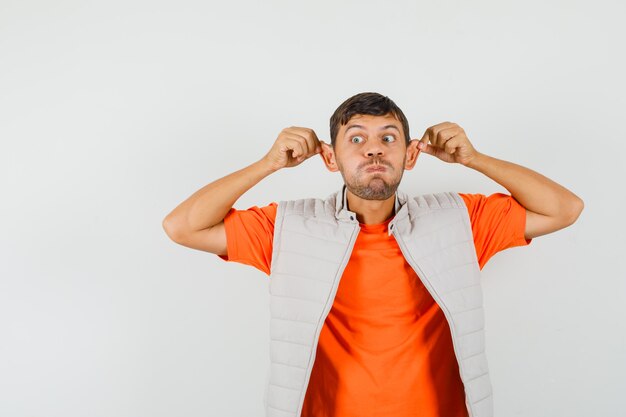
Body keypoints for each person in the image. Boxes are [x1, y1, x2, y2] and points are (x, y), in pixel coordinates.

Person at [162, 92, 584, 417]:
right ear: (330, 157)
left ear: (411, 154)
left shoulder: (460, 220)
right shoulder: (288, 228)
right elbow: (181, 226)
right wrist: (268, 164)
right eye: (356, 138)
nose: (374, 150)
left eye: (388, 138)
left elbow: (565, 208)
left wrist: (474, 159)